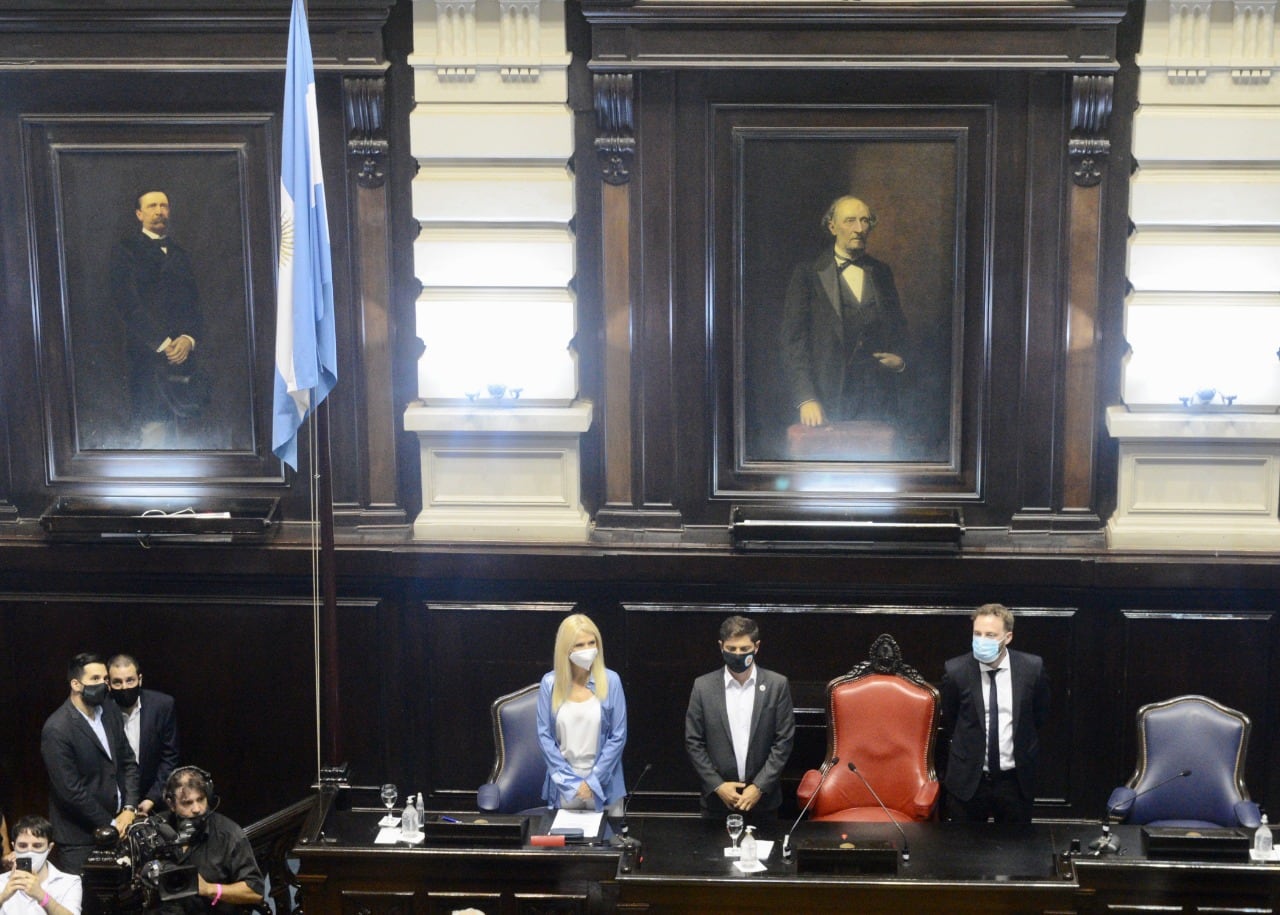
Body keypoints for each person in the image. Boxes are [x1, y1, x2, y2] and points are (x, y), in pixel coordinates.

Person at [780, 195, 908, 428]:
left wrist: (901, 361)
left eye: (865, 221)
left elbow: (899, 328)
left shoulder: (881, 272)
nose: (858, 229)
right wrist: (806, 398)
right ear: (832, 226)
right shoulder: (807, 274)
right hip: (826, 400)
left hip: (877, 399)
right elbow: (793, 343)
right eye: (850, 221)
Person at [108, 188, 204, 447]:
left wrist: (187, 339)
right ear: (139, 214)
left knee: (188, 432)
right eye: (152, 206)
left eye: (163, 206)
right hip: (146, 358)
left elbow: (194, 305)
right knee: (154, 431)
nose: (159, 211)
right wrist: (164, 343)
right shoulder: (125, 251)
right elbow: (128, 304)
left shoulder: (180, 254)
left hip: (185, 359)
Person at [940, 603, 1051, 824]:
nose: (982, 640)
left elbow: (1040, 715)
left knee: (1016, 853)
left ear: (1007, 637)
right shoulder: (956, 671)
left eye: (990, 635)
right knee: (964, 852)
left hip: (1014, 781)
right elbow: (952, 719)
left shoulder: (1032, 668)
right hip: (970, 780)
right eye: (977, 634)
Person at [685, 615, 795, 823]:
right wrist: (718, 785)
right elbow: (694, 742)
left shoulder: (776, 685)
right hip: (718, 802)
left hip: (763, 802)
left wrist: (759, 786)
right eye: (731, 649)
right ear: (721, 646)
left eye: (744, 649)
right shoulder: (703, 687)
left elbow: (783, 741)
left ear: (756, 647)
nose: (737, 654)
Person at [40, 653, 140, 874]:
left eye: (105, 679)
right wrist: (112, 824)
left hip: (121, 827)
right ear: (76, 684)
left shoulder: (110, 710)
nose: (103, 685)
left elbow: (128, 762)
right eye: (95, 679)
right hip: (80, 839)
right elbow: (70, 791)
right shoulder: (57, 729)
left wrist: (129, 808)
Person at [535, 614, 628, 814]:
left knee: (608, 840)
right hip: (565, 785)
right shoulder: (550, 684)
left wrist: (592, 782)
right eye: (579, 645)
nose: (587, 650)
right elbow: (545, 738)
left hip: (605, 783)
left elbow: (618, 737)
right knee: (568, 843)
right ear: (566, 648)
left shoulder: (611, 681)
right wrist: (573, 784)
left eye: (592, 643)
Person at [152, 766, 263, 915]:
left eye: (201, 799)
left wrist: (210, 889)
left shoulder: (228, 834)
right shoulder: (155, 829)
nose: (197, 809)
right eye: (187, 803)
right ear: (171, 804)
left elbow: (255, 891)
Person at [107, 654, 180, 816]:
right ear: (109, 684)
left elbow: (169, 757)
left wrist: (152, 798)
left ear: (140, 679)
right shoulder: (101, 712)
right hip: (115, 804)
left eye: (130, 680)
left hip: (155, 800)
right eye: (117, 682)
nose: (124, 687)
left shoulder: (162, 705)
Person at [0, 816, 81, 915]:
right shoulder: (1, 881)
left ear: (49, 848)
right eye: (22, 846)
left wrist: (41, 896)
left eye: (37, 846)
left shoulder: (69, 882)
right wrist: (3, 896)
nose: (29, 851)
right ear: (14, 847)